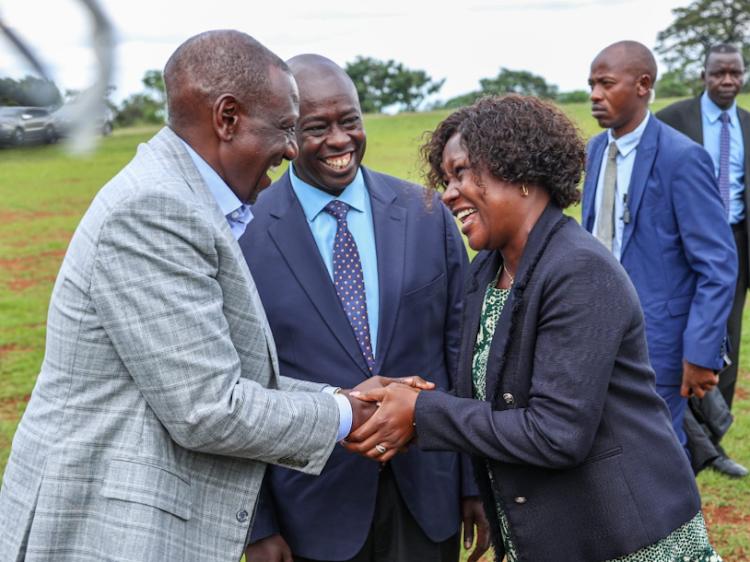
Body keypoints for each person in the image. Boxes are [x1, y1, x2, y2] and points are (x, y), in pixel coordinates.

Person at [0, 31, 419, 562]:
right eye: (286, 129)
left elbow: (227, 373)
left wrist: (347, 400)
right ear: (227, 118)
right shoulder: (156, 209)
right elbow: (208, 407)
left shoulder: (181, 198)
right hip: (105, 529)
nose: (292, 151)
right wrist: (348, 416)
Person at [343, 94, 723, 561]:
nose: (447, 193)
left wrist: (422, 412)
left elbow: (556, 433)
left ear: (521, 173)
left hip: (625, 537)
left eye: (462, 172)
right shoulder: (487, 272)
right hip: (553, 536)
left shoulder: (579, 271)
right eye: (445, 178)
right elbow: (493, 396)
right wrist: (407, 398)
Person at [241, 54, 488, 562]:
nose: (340, 140)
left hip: (428, 493)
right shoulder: (244, 233)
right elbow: (240, 386)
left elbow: (461, 352)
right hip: (310, 506)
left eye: (349, 120)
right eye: (317, 127)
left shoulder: (426, 214)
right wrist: (257, 524)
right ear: (287, 136)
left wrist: (472, 481)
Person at [581, 41, 737, 461]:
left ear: (643, 85)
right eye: (592, 83)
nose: (594, 94)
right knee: (608, 448)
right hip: (596, 332)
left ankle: (678, 529)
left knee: (660, 453)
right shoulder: (596, 151)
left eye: (606, 83)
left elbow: (718, 265)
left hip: (660, 344)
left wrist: (701, 353)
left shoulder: (682, 158)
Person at [656, 43, 749, 478]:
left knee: (723, 343)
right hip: (681, 245)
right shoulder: (674, 119)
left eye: (735, 73)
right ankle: (684, 442)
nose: (727, 81)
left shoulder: (748, 125)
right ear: (704, 75)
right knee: (675, 342)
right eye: (719, 73)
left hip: (735, 246)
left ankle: (711, 444)